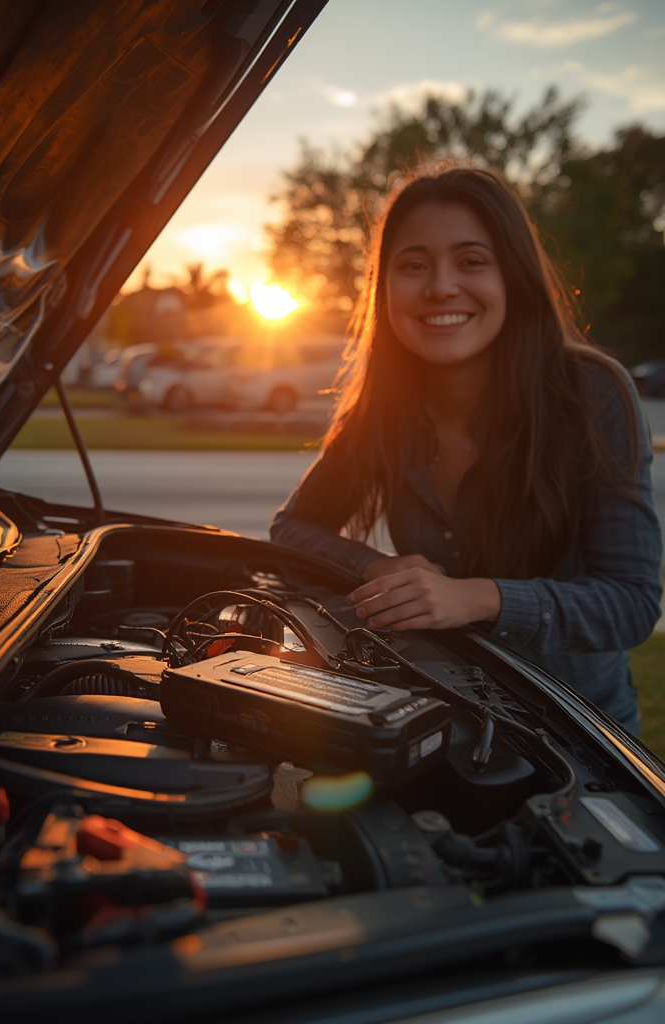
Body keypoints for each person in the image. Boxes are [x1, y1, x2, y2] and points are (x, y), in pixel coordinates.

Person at [270, 163, 662, 734]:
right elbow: (292, 529)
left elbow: (630, 605)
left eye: (472, 260)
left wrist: (478, 598)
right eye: (413, 266)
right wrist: (379, 566)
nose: (440, 287)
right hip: (445, 716)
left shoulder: (594, 392)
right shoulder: (385, 404)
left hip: (580, 734)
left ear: (513, 277)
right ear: (386, 288)